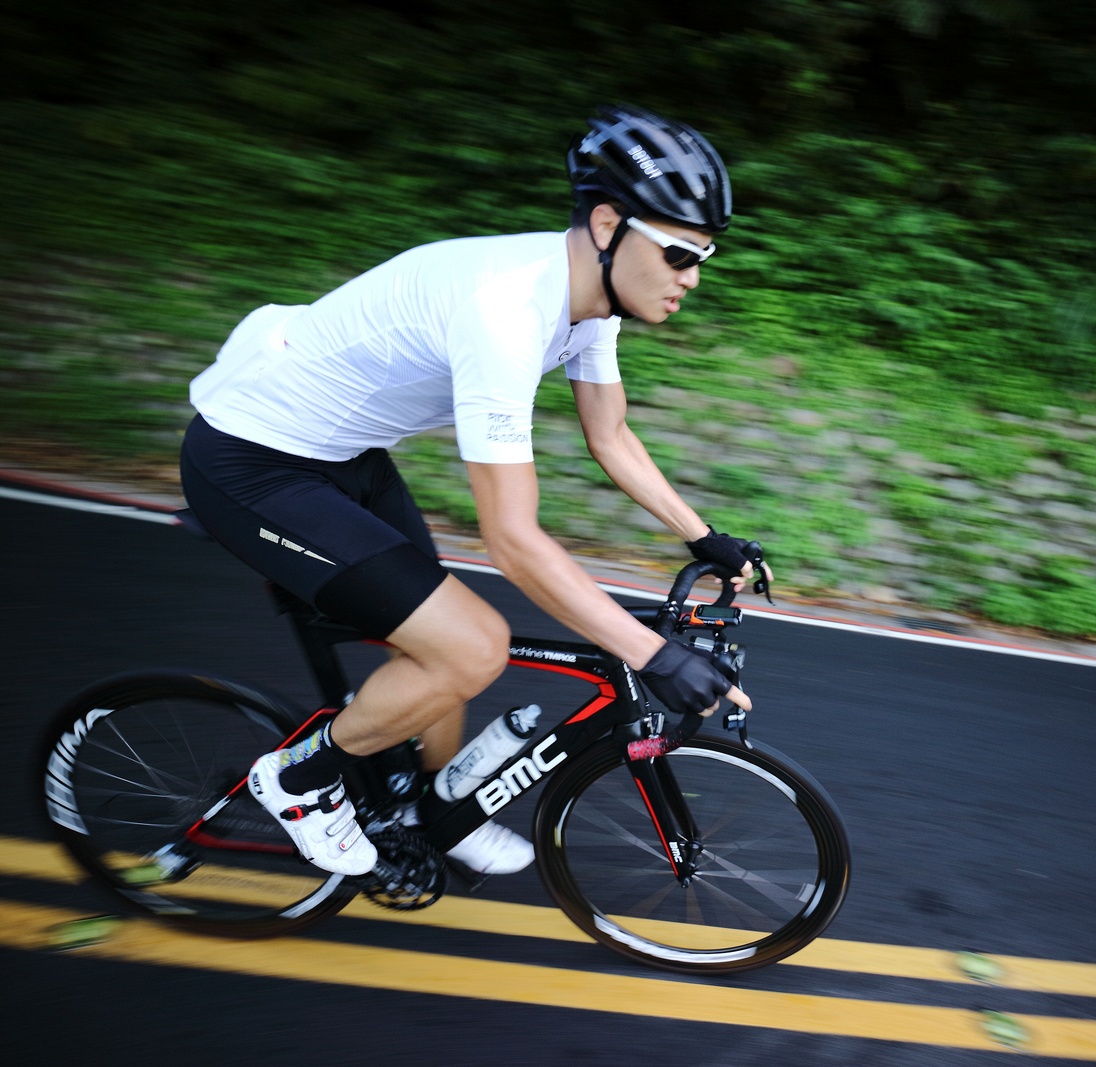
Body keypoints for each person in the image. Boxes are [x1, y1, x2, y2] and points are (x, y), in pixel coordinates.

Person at [178, 105, 769, 878]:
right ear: (607, 225)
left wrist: (702, 535)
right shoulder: (506, 312)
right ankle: (300, 777)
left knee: (437, 633)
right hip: (251, 464)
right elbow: (513, 540)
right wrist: (653, 653)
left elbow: (610, 434)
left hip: (342, 454)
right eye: (680, 253)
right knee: (471, 643)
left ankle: (434, 809)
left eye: (704, 255)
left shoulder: (590, 298)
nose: (692, 276)